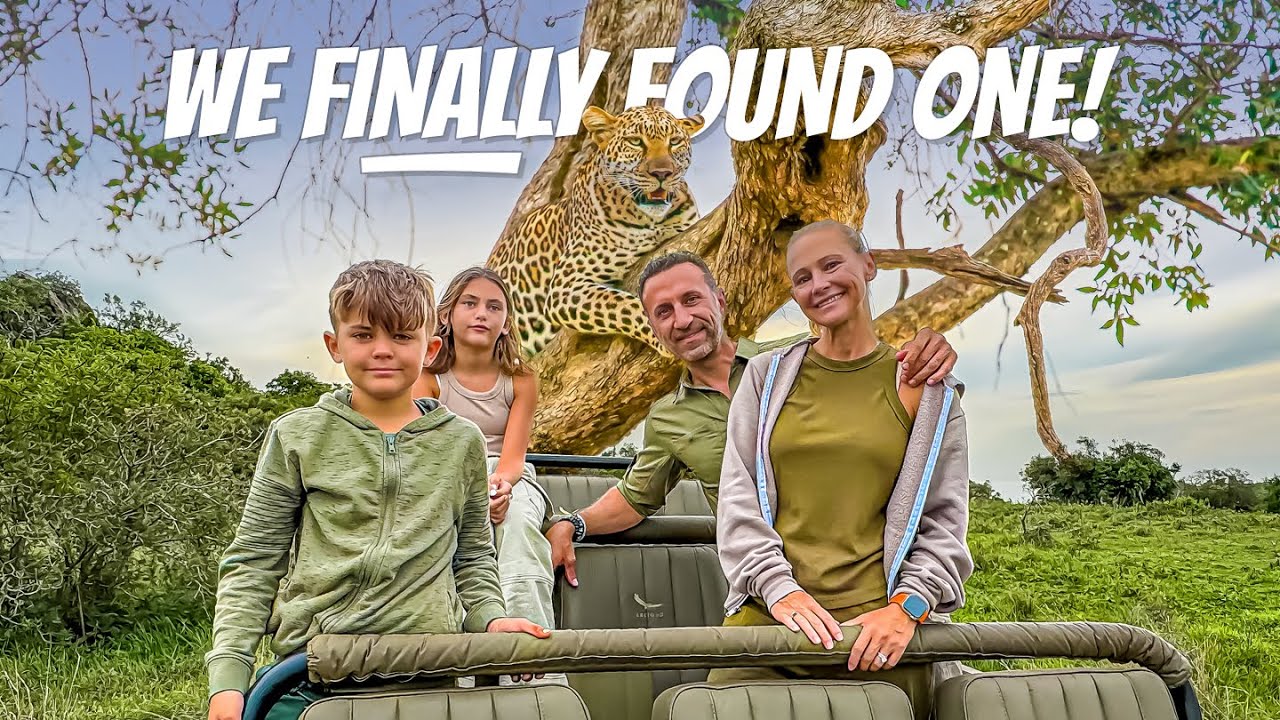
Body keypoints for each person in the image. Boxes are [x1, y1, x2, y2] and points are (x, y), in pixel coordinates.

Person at [205, 260, 549, 720]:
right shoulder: (297, 436)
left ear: (430, 348)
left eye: (402, 336)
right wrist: (228, 680)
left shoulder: (462, 442)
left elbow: (472, 558)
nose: (383, 350)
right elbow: (253, 562)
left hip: (428, 674)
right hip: (312, 674)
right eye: (364, 335)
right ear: (334, 345)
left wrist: (490, 616)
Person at [545, 251, 959, 587]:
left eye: (692, 300)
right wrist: (573, 523)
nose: (682, 320)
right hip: (765, 585)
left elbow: (888, 386)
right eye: (664, 311)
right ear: (652, 326)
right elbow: (636, 498)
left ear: (719, 301)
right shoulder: (668, 418)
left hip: (866, 572)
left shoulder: (799, 360)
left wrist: (929, 351)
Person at [713, 221, 974, 720]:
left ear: (868, 265)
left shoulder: (928, 388)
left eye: (832, 265)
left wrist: (908, 609)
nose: (819, 285)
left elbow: (944, 521)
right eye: (802, 278)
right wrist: (778, 588)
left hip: (879, 631)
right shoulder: (765, 379)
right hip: (773, 617)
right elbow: (737, 496)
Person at [411, 267, 561, 682]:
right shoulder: (429, 378)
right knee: (446, 534)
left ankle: (531, 656)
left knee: (517, 527)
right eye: (470, 303)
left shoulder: (521, 378)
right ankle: (459, 669)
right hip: (448, 477)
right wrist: (474, 497)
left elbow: (514, 455)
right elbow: (432, 452)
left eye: (494, 307)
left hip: (509, 477)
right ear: (447, 315)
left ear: (506, 321)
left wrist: (504, 487)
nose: (482, 314)